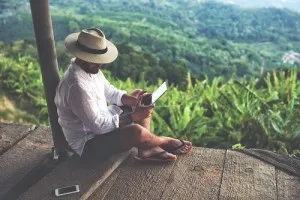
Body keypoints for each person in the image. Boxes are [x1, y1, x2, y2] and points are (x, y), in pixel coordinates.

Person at [55, 27, 192, 162]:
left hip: (103, 122)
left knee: (139, 96)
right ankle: (162, 141)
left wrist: (134, 101)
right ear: (82, 57)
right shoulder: (76, 87)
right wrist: (134, 116)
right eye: (95, 60)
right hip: (88, 144)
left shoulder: (90, 70)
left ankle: (146, 148)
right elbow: (98, 127)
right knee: (136, 132)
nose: (100, 65)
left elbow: (111, 92)